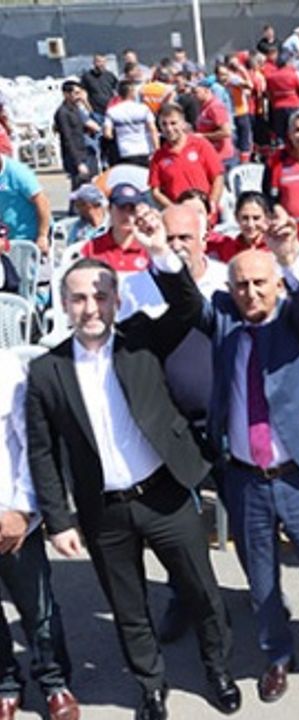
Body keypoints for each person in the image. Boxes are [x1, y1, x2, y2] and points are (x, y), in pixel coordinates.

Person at [25, 208, 238, 720]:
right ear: (64, 305)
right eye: (78, 298)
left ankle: (218, 670)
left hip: (164, 492)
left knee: (201, 593)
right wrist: (59, 520)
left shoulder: (141, 338)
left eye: (101, 296)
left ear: (117, 301)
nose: (91, 307)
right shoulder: (47, 371)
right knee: (129, 609)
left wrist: (161, 251)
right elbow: (43, 451)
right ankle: (151, 687)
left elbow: (187, 306)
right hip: (105, 512)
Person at [168, 205, 299, 703]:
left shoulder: (295, 319)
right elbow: (187, 298)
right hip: (245, 475)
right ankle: (277, 654)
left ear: (276, 284)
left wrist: (289, 255)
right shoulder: (224, 321)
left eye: (261, 283)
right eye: (242, 285)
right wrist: (161, 251)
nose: (251, 293)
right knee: (260, 577)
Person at [0, 350, 79, 720]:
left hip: (10, 517)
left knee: (37, 606)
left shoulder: (8, 368)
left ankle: (54, 681)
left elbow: (34, 442)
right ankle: (5, 683)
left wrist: (23, 509)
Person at [104, 82, 158, 167]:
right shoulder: (144, 109)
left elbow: (107, 134)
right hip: (145, 149)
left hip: (125, 151)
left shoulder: (112, 111)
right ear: (132, 93)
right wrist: (157, 149)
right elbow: (153, 129)